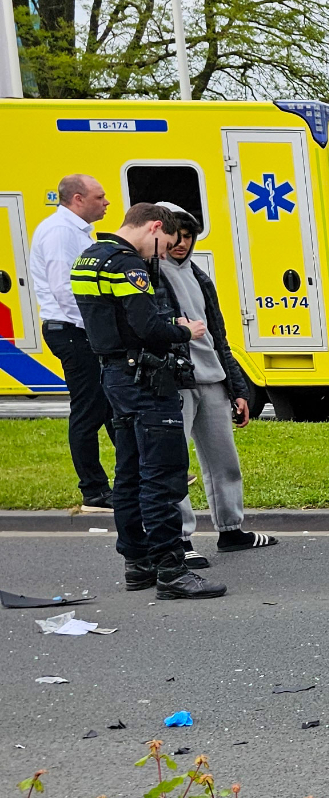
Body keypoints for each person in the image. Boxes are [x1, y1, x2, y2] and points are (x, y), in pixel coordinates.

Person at [73, 203, 224, 599]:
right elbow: (146, 325)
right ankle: (171, 569)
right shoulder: (129, 265)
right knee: (163, 475)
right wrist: (183, 329)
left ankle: (136, 563)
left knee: (129, 473)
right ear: (154, 226)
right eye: (164, 244)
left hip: (114, 376)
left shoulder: (89, 259)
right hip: (146, 379)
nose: (160, 254)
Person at [152, 204, 276, 563]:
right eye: (176, 236)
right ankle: (181, 540)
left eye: (188, 237)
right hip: (178, 380)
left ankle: (231, 530)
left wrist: (237, 389)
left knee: (224, 459)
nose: (182, 243)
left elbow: (219, 337)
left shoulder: (198, 275)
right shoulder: (153, 272)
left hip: (212, 379)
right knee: (175, 463)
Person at [30, 174, 113, 509]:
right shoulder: (61, 232)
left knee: (110, 403)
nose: (106, 202)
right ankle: (93, 489)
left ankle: (142, 472)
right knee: (89, 409)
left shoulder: (75, 231)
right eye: (100, 197)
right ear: (77, 199)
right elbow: (66, 290)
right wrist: (96, 330)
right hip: (73, 330)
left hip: (78, 329)